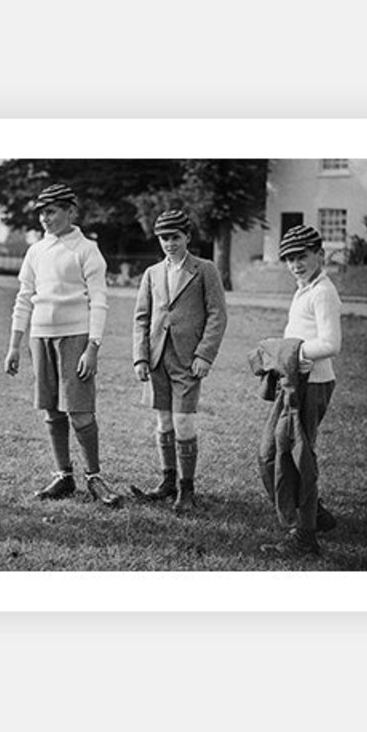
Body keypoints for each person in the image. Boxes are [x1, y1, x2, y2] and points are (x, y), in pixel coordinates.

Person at [4, 183, 119, 506]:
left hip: (76, 337)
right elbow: (24, 297)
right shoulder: (35, 251)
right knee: (52, 411)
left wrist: (92, 346)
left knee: (80, 413)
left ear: (71, 211)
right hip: (40, 338)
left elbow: (99, 300)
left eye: (52, 210)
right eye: (42, 212)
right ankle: (63, 475)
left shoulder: (86, 249)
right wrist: (15, 344)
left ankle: (94, 477)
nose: (46, 218)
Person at [131, 209, 228, 513]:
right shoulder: (152, 273)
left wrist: (204, 355)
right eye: (164, 238)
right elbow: (142, 318)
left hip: (188, 360)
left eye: (175, 237)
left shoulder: (205, 269)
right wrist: (140, 357)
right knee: (163, 421)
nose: (169, 243)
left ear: (187, 237)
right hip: (158, 357)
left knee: (183, 421)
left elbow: (217, 315)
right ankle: (167, 481)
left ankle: (187, 489)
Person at [254, 224, 342, 557]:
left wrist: (291, 353)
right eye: (289, 258)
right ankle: (314, 515)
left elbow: (332, 343)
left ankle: (305, 537)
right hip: (294, 383)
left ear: (320, 254)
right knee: (271, 453)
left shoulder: (322, 291)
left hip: (313, 385)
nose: (295, 264)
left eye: (302, 256)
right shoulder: (304, 287)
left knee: (298, 457)